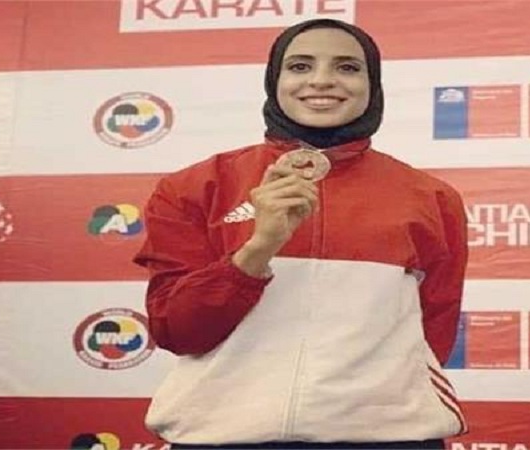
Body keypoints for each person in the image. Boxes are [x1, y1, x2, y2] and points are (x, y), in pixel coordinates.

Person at [133, 18, 468, 450]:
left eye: (347, 67)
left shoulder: (431, 197)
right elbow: (177, 331)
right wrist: (259, 248)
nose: (322, 80)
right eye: (300, 66)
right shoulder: (193, 187)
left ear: (373, 84)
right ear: (274, 79)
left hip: (388, 438)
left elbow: (434, 331)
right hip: (222, 437)